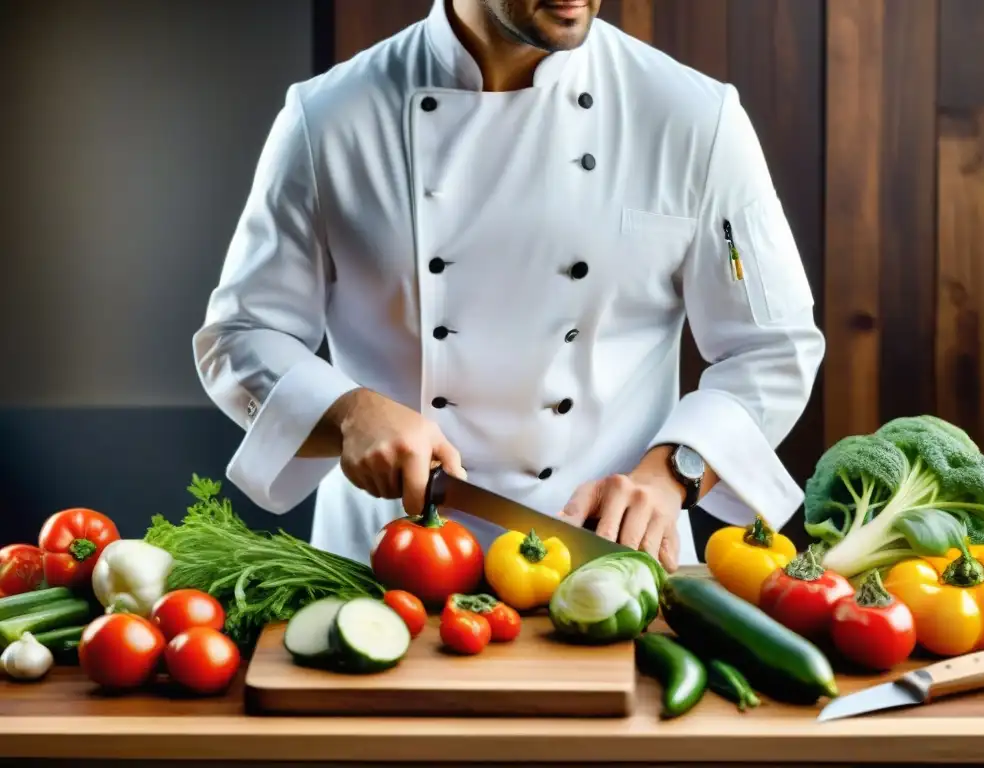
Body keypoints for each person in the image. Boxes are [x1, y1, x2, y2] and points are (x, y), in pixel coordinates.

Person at [194, 0, 825, 572]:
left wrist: (674, 472)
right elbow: (242, 335)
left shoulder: (691, 117)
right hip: (385, 562)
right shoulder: (330, 117)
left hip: (609, 559)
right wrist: (347, 411)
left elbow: (773, 347)